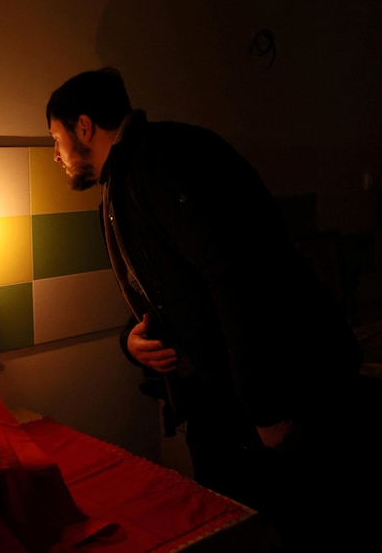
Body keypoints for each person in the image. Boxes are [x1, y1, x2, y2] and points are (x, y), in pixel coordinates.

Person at [46, 67, 365, 550]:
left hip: (279, 384)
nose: (57, 155)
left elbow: (234, 276)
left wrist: (266, 407)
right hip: (225, 400)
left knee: (306, 525)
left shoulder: (162, 159)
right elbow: (172, 290)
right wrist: (131, 342)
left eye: (57, 138)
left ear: (84, 127)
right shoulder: (126, 179)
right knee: (234, 526)